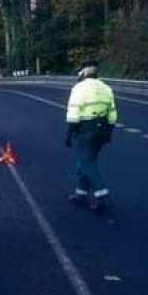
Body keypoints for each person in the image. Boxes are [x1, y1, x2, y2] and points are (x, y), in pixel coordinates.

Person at [65, 60, 117, 213]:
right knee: (88, 160)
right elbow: (113, 113)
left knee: (86, 163)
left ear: (82, 72)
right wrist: (109, 131)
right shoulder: (106, 88)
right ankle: (81, 194)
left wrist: (69, 132)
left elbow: (74, 112)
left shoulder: (79, 88)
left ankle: (103, 197)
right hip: (103, 127)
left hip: (86, 128)